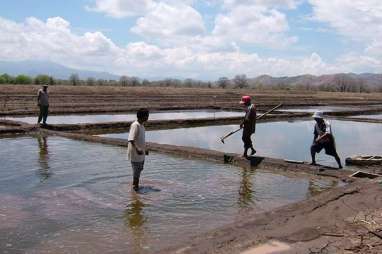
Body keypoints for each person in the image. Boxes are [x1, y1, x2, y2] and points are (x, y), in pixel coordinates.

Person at [128, 108, 149, 191]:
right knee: (136, 172)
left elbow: (141, 139)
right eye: (147, 116)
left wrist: (145, 149)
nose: (148, 117)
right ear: (142, 116)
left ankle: (136, 188)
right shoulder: (135, 125)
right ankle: (135, 189)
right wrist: (137, 149)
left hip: (141, 153)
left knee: (139, 170)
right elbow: (131, 139)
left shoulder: (142, 126)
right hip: (135, 153)